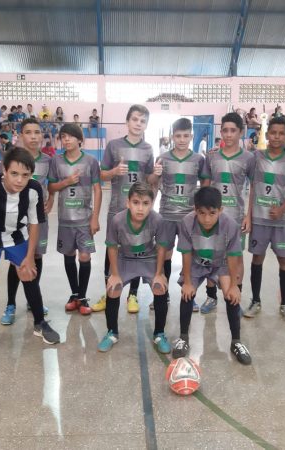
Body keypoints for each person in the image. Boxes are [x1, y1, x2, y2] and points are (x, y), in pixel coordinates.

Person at [0, 148, 60, 357]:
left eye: (25, 175)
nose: (20, 180)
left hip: (17, 235)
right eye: (14, 174)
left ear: (31, 175)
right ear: (4, 171)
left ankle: (40, 323)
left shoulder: (34, 189)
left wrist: (29, 257)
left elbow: (35, 224)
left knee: (28, 273)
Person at [91, 104, 160, 314]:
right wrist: (114, 171)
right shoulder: (113, 146)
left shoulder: (148, 149)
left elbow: (148, 180)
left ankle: (133, 295)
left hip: (138, 211)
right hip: (117, 209)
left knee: (136, 250)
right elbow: (101, 175)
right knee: (111, 250)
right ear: (127, 121)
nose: (138, 124)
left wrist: (156, 173)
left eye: (142, 121)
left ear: (146, 125)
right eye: (135, 119)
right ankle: (108, 291)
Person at [172, 186, 251, 365]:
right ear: (195, 210)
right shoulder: (187, 222)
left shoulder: (230, 225)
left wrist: (234, 285)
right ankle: (183, 337)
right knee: (187, 292)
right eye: (202, 213)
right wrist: (187, 281)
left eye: (212, 213)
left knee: (231, 295)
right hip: (196, 263)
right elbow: (186, 253)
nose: (207, 219)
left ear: (220, 210)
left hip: (220, 263)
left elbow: (233, 256)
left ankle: (236, 341)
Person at [98, 182, 170, 353]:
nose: (140, 208)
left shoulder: (157, 220)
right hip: (125, 258)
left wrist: (159, 273)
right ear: (128, 203)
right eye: (136, 202)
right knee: (113, 288)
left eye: (145, 203)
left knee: (160, 287)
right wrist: (115, 274)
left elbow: (161, 248)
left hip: (148, 259)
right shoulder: (117, 220)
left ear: (151, 204)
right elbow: (112, 247)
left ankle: (159, 334)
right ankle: (112, 332)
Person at [243, 116, 285, 322]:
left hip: (281, 222)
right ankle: (255, 301)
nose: (276, 137)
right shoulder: (256, 157)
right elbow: (251, 187)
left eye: (281, 133)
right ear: (267, 135)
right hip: (259, 219)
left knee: (283, 260)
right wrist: (248, 215)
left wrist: (282, 209)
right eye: (273, 133)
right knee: (257, 258)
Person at [0, 118, 53, 325]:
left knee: (36, 255)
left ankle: (33, 300)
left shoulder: (48, 161)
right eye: (28, 132)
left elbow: (51, 185)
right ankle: (11, 304)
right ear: (21, 135)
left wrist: (51, 199)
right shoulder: (11, 158)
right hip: (17, 219)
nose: (33, 136)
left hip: (39, 218)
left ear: (42, 136)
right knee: (16, 259)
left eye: (37, 132)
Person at [200, 112, 255, 315]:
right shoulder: (212, 156)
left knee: (236, 258)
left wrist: (249, 216)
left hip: (237, 217)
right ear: (221, 132)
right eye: (225, 130)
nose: (229, 134)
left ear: (241, 132)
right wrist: (202, 213)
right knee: (211, 256)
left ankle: (236, 297)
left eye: (233, 130)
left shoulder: (249, 158)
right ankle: (211, 296)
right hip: (213, 218)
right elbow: (205, 185)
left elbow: (254, 188)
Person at [151, 118, 205, 311]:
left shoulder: (198, 159)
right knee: (164, 253)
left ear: (191, 136)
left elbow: (205, 185)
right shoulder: (163, 158)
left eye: (185, 136)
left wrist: (200, 210)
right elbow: (153, 183)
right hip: (166, 214)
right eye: (178, 136)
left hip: (189, 217)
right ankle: (162, 294)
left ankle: (189, 294)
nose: (182, 140)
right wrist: (155, 174)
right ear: (172, 137)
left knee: (189, 254)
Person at [47, 123, 102, 315]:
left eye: (70, 136)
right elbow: (51, 188)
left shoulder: (91, 161)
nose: (66, 139)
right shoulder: (56, 161)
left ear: (80, 139)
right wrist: (66, 182)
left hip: (85, 219)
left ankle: (83, 296)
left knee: (85, 256)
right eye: (63, 136)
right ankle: (75, 294)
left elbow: (97, 190)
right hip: (65, 219)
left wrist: (95, 217)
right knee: (69, 255)